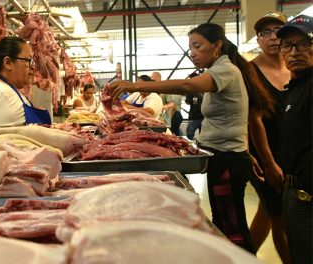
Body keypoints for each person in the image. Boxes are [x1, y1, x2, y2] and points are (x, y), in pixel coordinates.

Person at [111, 23, 273, 253]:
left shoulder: (225, 70)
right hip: (225, 157)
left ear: (217, 46)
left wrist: (135, 85)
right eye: (190, 48)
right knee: (225, 222)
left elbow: (188, 85)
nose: (192, 53)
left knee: (232, 228)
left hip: (227, 160)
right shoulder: (221, 70)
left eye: (198, 46)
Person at [247, 12, 291, 264]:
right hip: (266, 155)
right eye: (266, 33)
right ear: (258, 39)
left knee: (268, 210)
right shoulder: (251, 71)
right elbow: (253, 119)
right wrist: (268, 162)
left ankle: (243, 256)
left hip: (296, 153)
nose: (273, 37)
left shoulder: (298, 65)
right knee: (280, 215)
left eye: (278, 31)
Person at [276, 14, 312, 264]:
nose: (294, 51)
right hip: (294, 193)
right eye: (287, 45)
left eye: (304, 43)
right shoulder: (296, 86)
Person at [0, 36, 51, 127]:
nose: (33, 67)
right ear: (8, 63)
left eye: (32, 61)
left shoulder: (9, 90)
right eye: (28, 60)